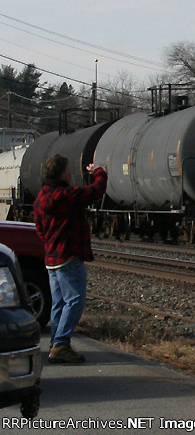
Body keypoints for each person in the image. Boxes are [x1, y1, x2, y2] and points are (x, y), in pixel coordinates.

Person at [33, 154, 107, 364]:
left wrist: (51, 242)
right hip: (69, 255)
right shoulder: (65, 195)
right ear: (62, 173)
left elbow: (39, 229)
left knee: (59, 303)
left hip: (51, 258)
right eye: (68, 169)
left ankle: (56, 344)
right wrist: (98, 172)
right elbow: (95, 190)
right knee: (75, 300)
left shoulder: (40, 199)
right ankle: (61, 344)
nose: (70, 173)